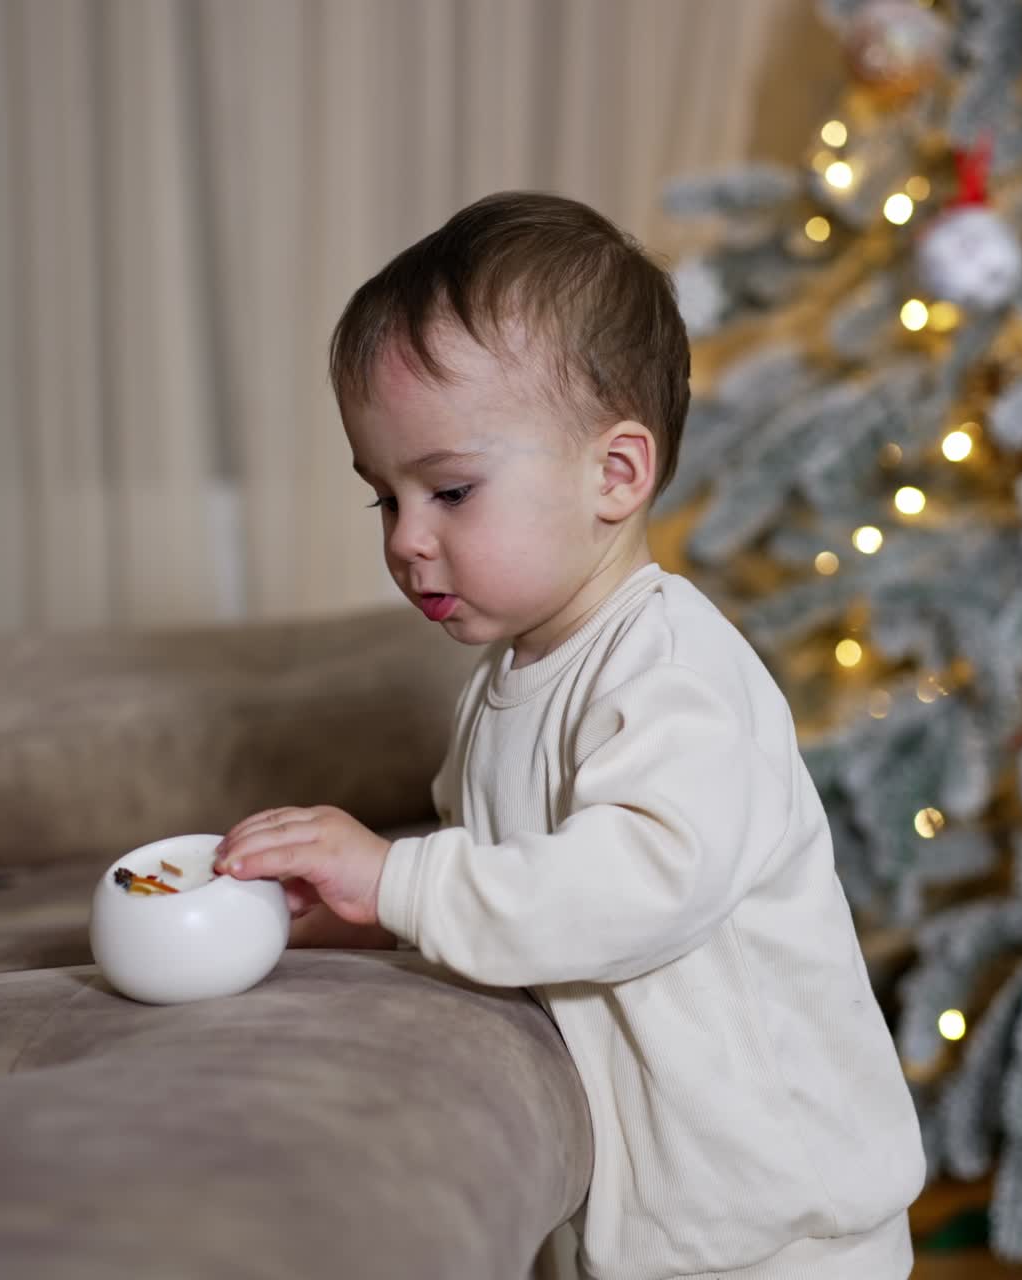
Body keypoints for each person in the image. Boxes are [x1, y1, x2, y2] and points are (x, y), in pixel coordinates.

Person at [214, 191, 926, 1279]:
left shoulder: (674, 667)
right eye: (384, 500)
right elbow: (517, 891)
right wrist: (362, 914)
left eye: (449, 489)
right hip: (657, 1222)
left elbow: (639, 883)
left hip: (782, 1223)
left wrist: (399, 877)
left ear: (615, 473)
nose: (408, 542)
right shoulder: (505, 683)